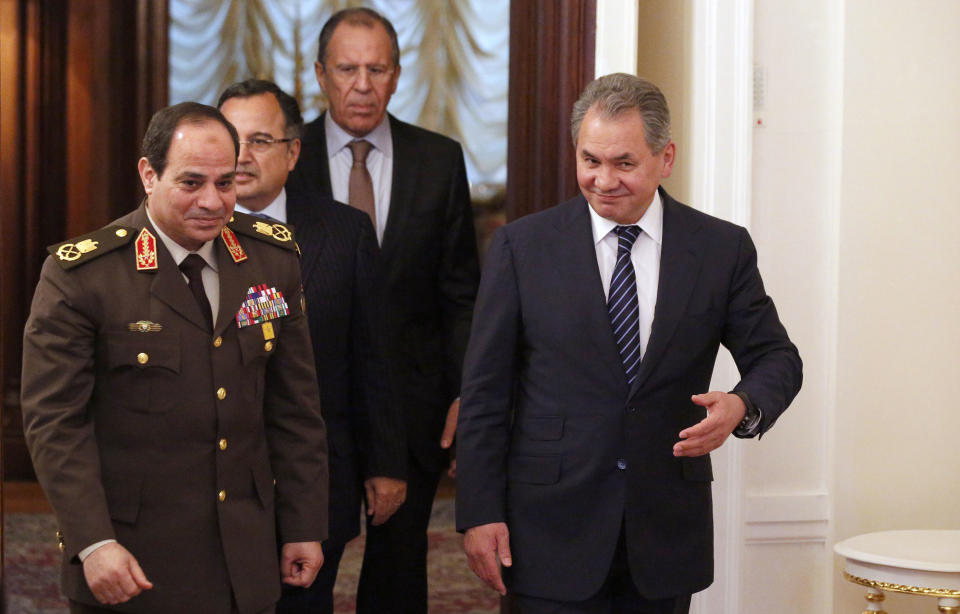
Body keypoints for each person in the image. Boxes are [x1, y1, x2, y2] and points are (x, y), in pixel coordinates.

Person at [455, 73, 803, 614]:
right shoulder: (522, 248)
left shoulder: (719, 249)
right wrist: (478, 512)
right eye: (590, 160)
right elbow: (484, 394)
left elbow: (778, 358)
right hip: (547, 529)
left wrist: (740, 405)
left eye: (624, 163)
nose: (603, 180)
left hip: (664, 533)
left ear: (665, 158)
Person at [20, 102, 329, 613]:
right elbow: (55, 424)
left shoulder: (271, 260)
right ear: (149, 174)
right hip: (132, 559)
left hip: (246, 556)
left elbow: (295, 409)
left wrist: (302, 525)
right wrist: (92, 542)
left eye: (225, 183)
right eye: (191, 183)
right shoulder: (83, 276)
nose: (212, 201)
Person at [286, 8, 480, 613]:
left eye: (377, 69)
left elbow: (459, 293)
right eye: (347, 69)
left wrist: (463, 393)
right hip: (313, 409)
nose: (362, 85)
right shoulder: (287, 159)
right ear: (320, 74)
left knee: (399, 571)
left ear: (398, 76)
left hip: (412, 407)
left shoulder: (439, 159)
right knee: (304, 564)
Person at [217, 79, 408, 614]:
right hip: (214, 485)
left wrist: (386, 463)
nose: (242, 156)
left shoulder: (344, 232)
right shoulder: (192, 229)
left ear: (294, 151)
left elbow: (373, 356)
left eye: (259, 140)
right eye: (230, 140)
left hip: (316, 479)